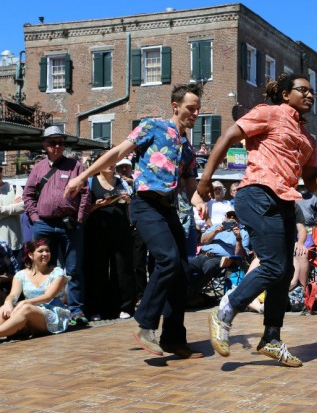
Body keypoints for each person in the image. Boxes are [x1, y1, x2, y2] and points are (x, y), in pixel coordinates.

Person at [195, 73, 317, 367]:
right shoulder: (268, 114)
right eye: (302, 90)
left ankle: (271, 338)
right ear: (285, 94)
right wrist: (206, 177)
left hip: (284, 201)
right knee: (273, 266)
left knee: (283, 272)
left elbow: (311, 182)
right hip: (257, 193)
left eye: (312, 92)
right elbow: (228, 137)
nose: (309, 95)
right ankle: (225, 311)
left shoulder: (308, 138)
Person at [65, 83, 204, 359]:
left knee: (181, 272)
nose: (195, 113)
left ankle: (174, 339)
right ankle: (145, 322)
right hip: (145, 205)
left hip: (169, 210)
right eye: (191, 108)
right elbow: (117, 153)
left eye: (198, 109)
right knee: (167, 260)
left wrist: (201, 202)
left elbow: (191, 187)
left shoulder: (187, 148)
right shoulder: (153, 127)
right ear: (176, 107)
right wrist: (82, 177)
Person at [23, 126, 90, 327]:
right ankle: (46, 308)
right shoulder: (38, 168)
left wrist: (79, 218)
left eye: (60, 142)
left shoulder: (75, 166)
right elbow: (27, 195)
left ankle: (76, 311)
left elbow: (85, 193)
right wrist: (35, 218)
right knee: (42, 269)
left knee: (73, 270)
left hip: (69, 225)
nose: (57, 146)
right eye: (52, 142)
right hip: (43, 224)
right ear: (45, 145)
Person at [83, 154, 135, 321]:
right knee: (97, 269)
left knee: (122, 268)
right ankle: (96, 308)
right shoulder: (90, 182)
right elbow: (83, 211)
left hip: (120, 231)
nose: (111, 166)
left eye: (113, 163)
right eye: (107, 163)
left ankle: (123, 306)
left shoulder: (122, 183)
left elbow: (131, 210)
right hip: (97, 231)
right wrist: (96, 206)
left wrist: (128, 202)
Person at [0, 239, 70, 338]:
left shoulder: (57, 273)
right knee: (3, 309)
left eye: (47, 250)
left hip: (53, 316)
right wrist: (8, 303)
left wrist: (25, 302)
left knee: (26, 308)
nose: (45, 253)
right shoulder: (21, 275)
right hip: (28, 312)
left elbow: (47, 297)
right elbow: (13, 295)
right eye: (40, 251)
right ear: (31, 255)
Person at [187, 210, 250, 294]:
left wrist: (238, 238)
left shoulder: (243, 232)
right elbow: (202, 240)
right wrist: (216, 231)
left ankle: (192, 292)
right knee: (184, 263)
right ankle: (183, 289)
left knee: (210, 265)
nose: (232, 218)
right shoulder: (216, 226)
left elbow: (240, 255)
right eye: (229, 215)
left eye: (235, 216)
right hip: (203, 255)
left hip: (222, 260)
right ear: (225, 217)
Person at [0, 166, 25, 263]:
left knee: (17, 277)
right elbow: (17, 208)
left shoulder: (15, 188)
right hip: (0, 247)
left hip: (16, 244)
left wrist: (2, 210)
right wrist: (13, 207)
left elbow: (23, 207)